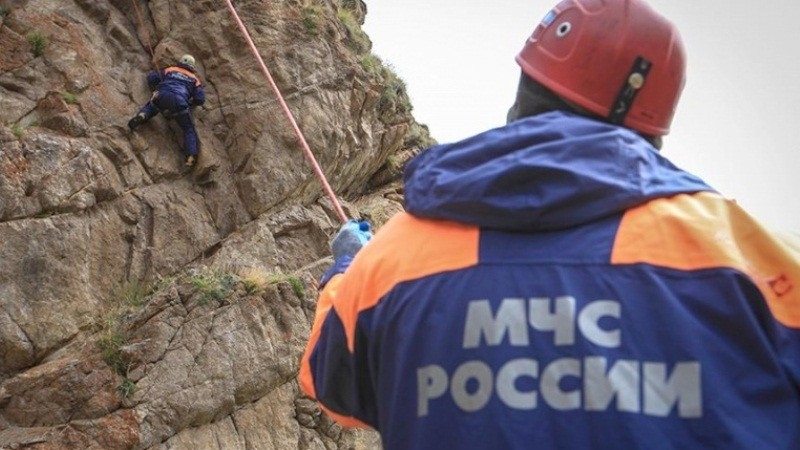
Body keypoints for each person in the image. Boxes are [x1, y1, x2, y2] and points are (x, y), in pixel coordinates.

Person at [300, 0, 800, 448]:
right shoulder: (750, 258)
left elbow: (332, 389)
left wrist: (346, 269)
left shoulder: (393, 261)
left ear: (524, 89)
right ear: (653, 123)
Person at [128, 54, 205, 167]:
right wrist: (190, 102)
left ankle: (143, 115)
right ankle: (191, 156)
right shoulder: (195, 79)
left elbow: (151, 78)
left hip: (163, 94)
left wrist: (156, 86)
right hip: (179, 102)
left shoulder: (171, 69)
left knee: (152, 105)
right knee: (188, 129)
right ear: (192, 66)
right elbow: (200, 99)